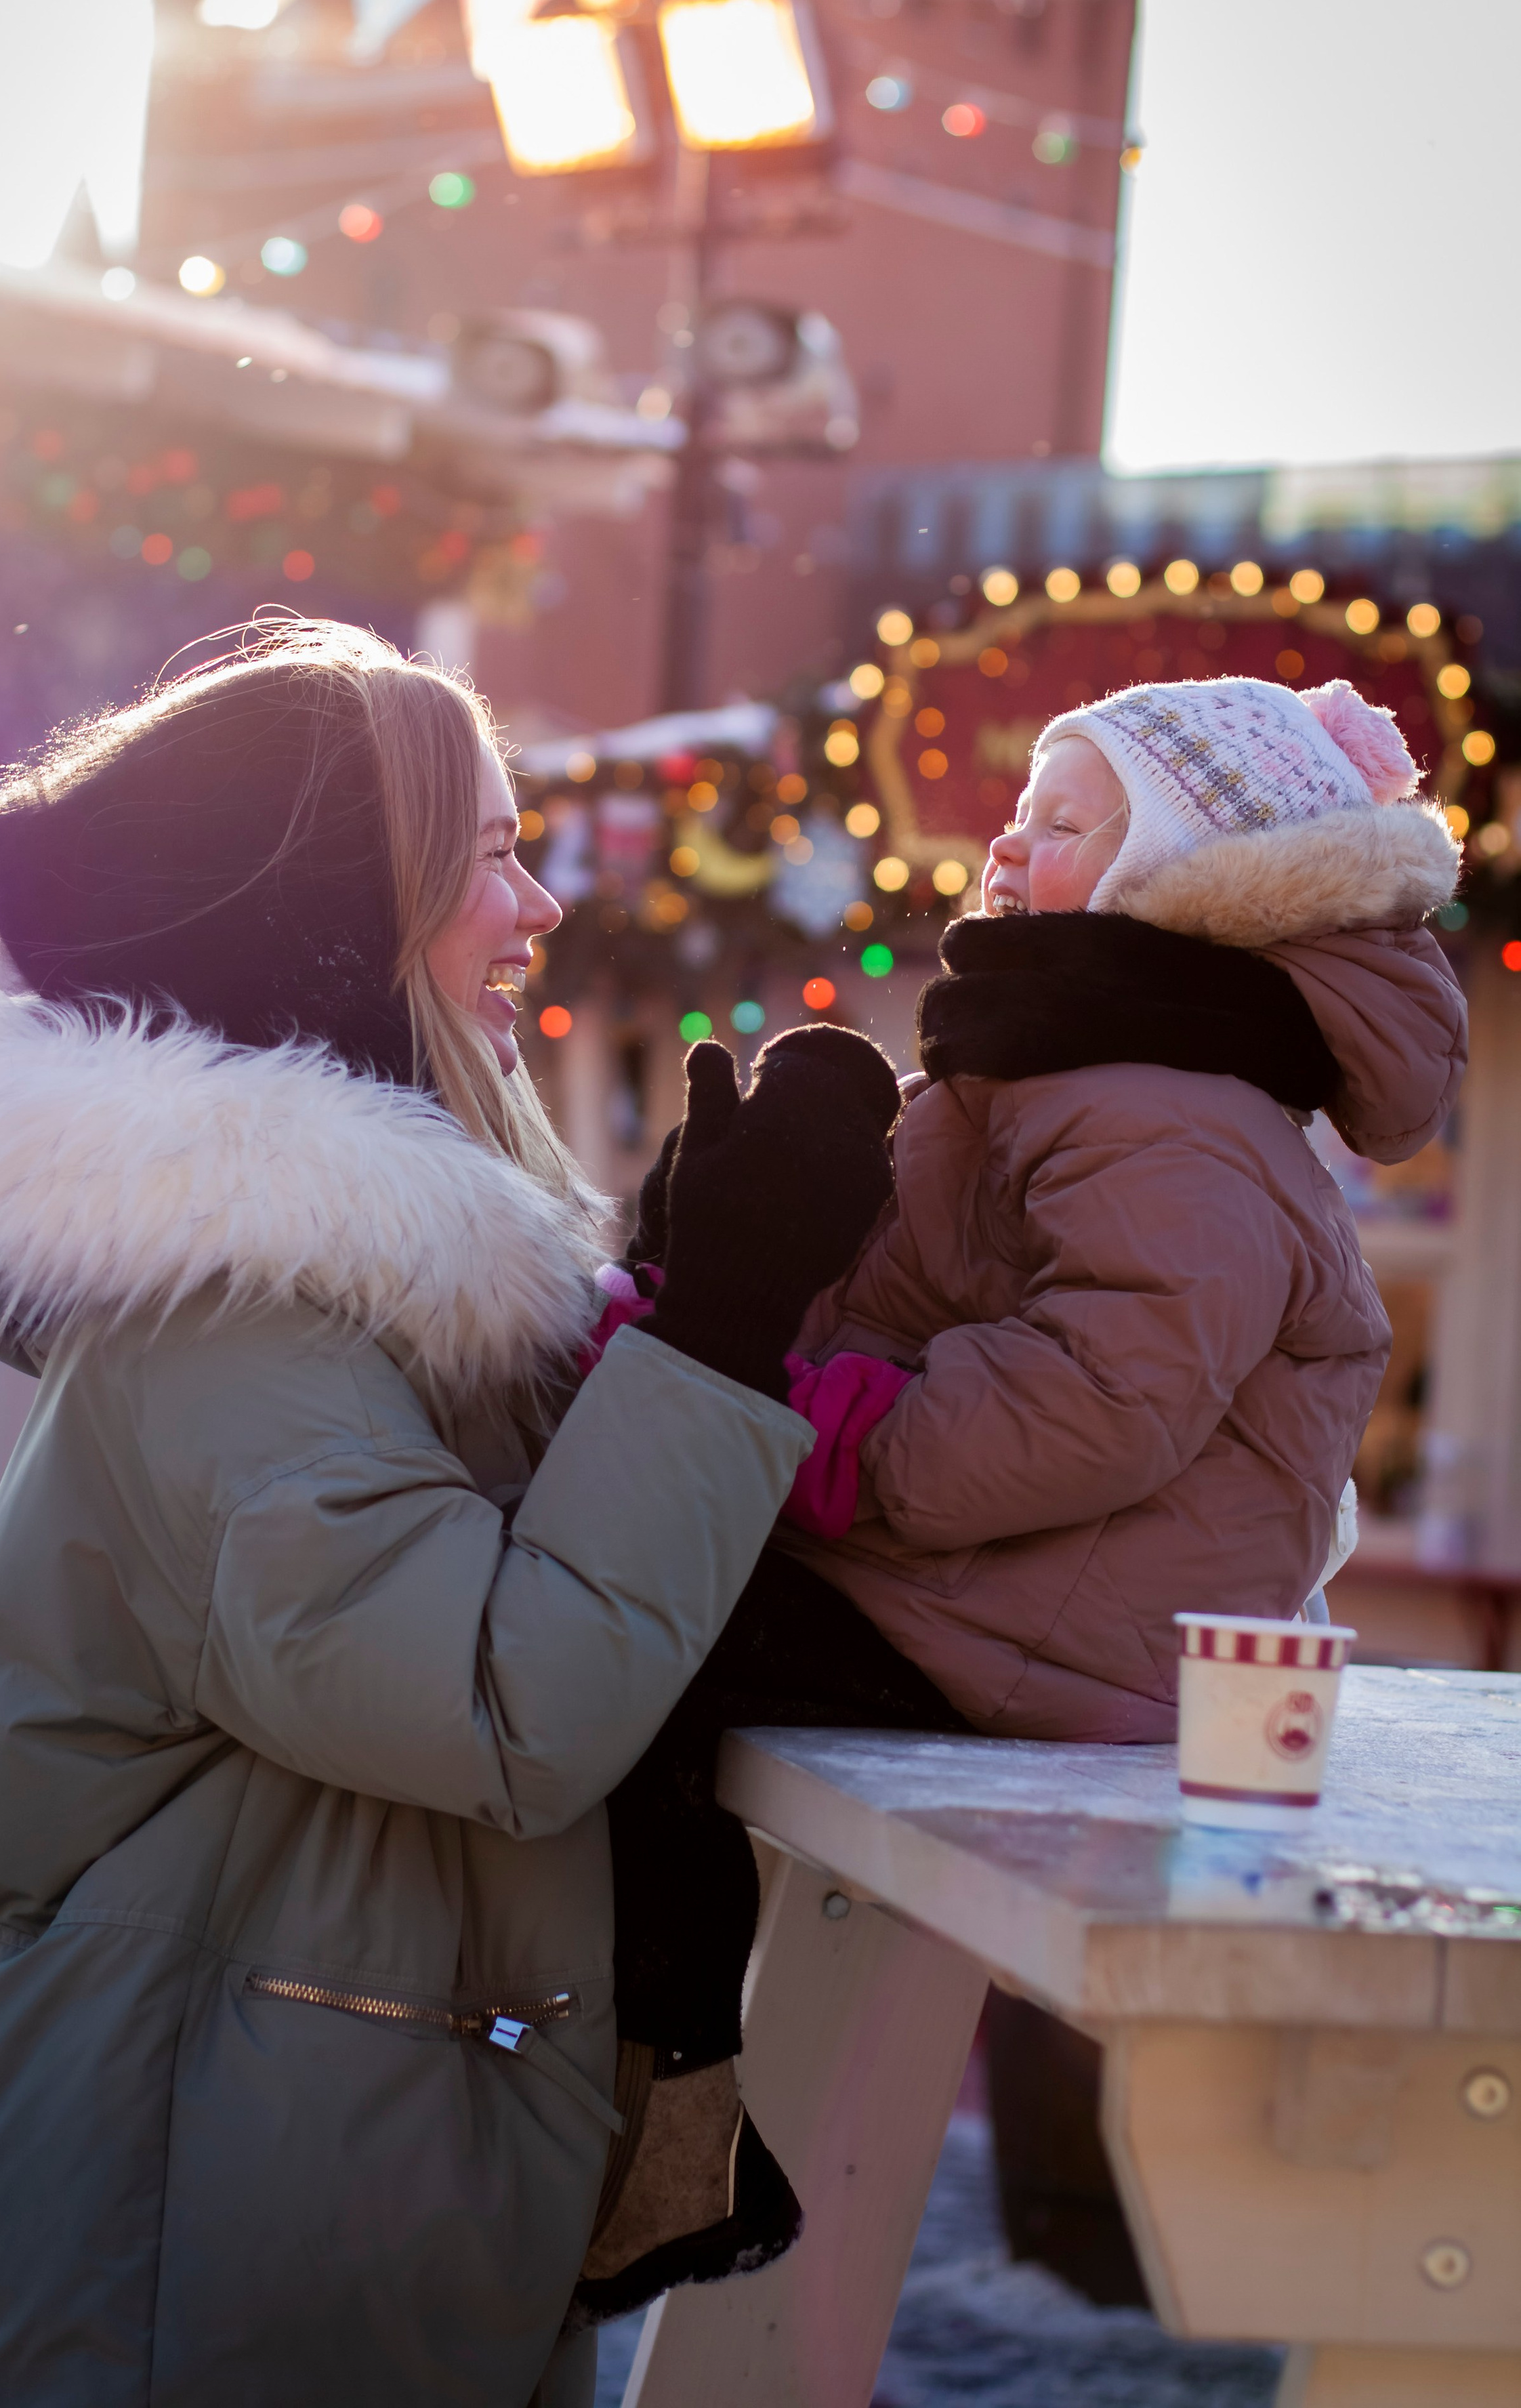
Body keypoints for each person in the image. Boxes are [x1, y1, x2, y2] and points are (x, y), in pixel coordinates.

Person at [0, 619, 899, 2408]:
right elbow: (502, 1704)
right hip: (176, 2234)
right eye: (490, 854)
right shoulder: (232, 1318)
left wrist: (660, 1309)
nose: (539, 907)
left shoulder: (351, 1297)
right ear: (340, 916)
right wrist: (713, 1334)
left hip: (313, 2164)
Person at [599, 673, 1465, 2193]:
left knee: (619, 1635)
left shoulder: (1172, 1109)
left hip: (1040, 1641)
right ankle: (650, 2071)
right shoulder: (1049, 1074)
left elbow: (1097, 1400)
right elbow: (896, 1300)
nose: (1007, 843)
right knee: (617, 1602)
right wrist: (713, 1303)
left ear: (1187, 880)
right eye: (1015, 810)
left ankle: (654, 2082)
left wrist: (811, 1432)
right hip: (971, 1604)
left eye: (1061, 821)